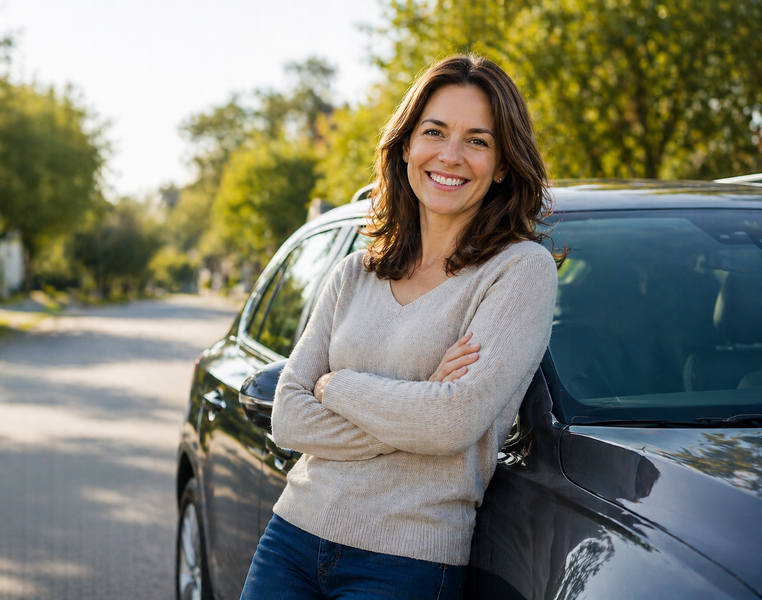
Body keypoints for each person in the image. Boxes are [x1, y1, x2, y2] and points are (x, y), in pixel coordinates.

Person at [240, 54, 560, 600]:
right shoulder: (356, 271)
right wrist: (418, 402)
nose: (451, 156)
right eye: (434, 132)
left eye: (478, 141)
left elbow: (450, 425)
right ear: (407, 145)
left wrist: (336, 387)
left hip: (405, 560)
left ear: (503, 164)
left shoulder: (518, 270)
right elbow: (290, 418)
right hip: (291, 536)